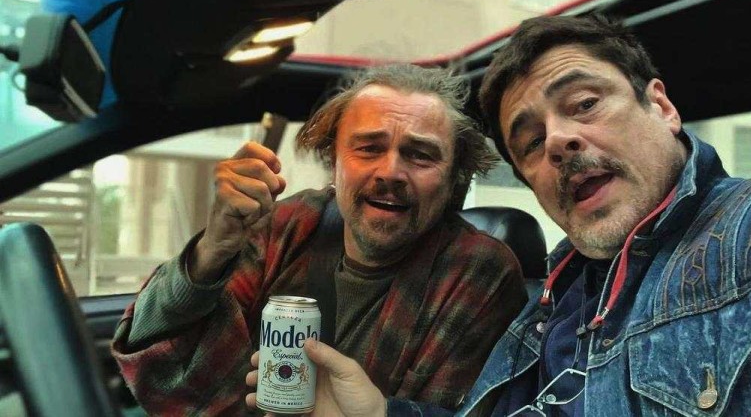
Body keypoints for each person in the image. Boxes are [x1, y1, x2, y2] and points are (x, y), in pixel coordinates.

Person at [250, 15, 751, 416]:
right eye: (531, 141)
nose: (559, 141)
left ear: (661, 107)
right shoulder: (544, 313)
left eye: (585, 104)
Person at [112, 64, 528, 415]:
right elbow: (154, 346)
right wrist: (211, 251)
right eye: (368, 148)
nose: (390, 173)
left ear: (454, 178)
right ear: (334, 162)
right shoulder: (286, 225)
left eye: (420, 155)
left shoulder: (478, 272)